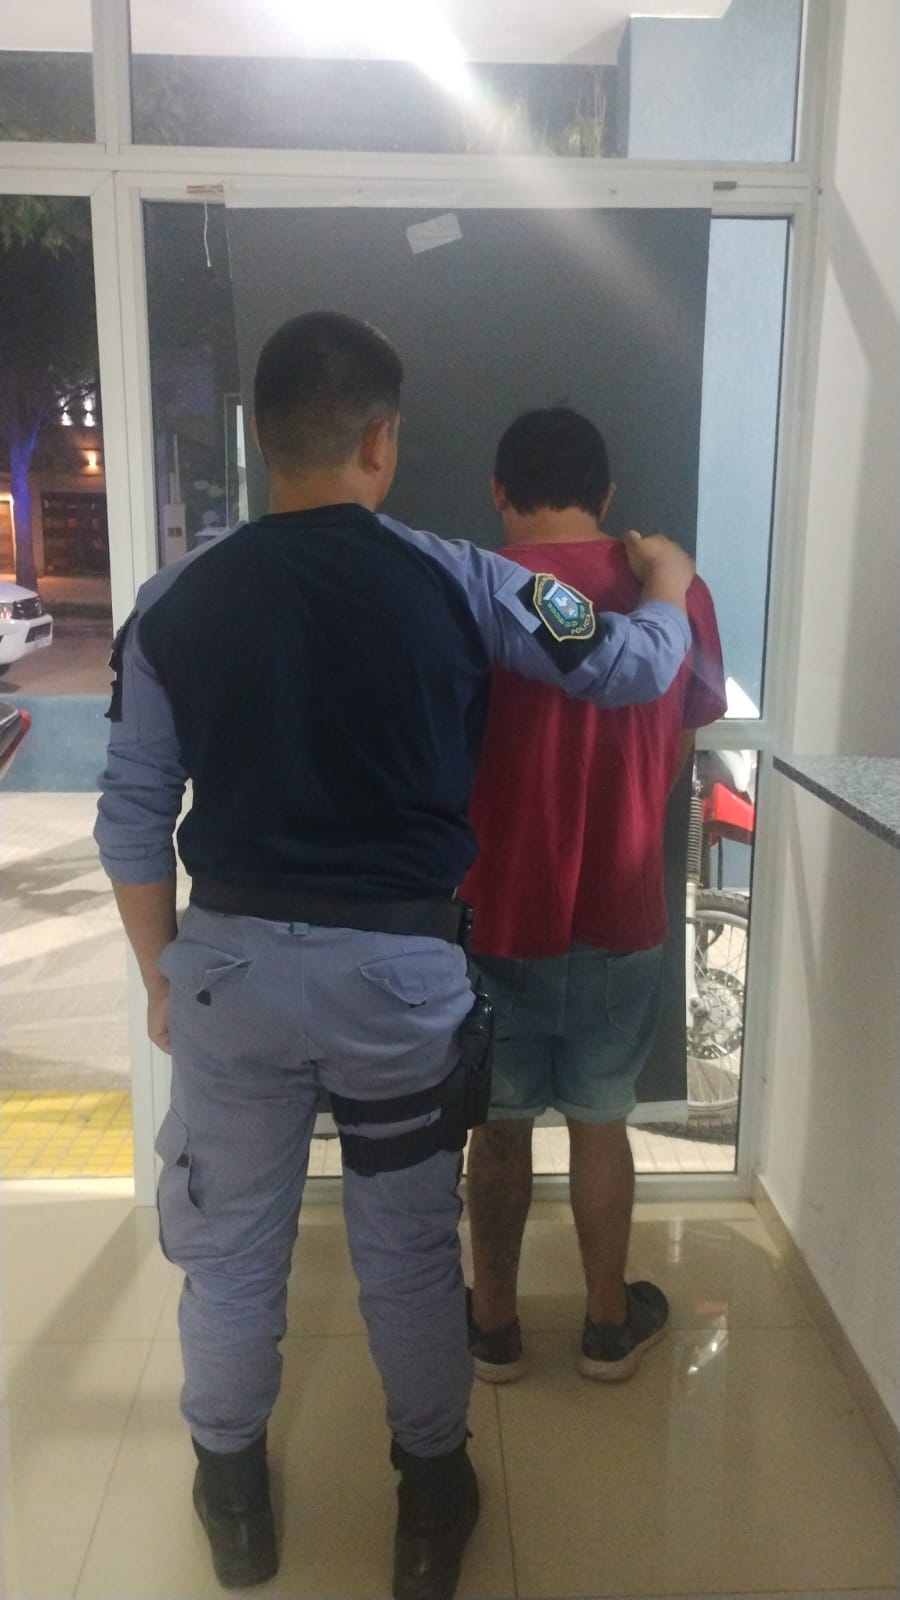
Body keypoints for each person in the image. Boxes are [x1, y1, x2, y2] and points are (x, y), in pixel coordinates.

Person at [94, 318, 695, 1600]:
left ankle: (233, 1497)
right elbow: (634, 664)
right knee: (408, 1252)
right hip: (400, 981)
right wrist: (668, 580)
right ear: (381, 440)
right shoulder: (469, 579)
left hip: (231, 974)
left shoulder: (171, 603)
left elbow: (132, 817)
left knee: (232, 1249)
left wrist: (160, 974)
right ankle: (428, 1503)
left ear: (262, 438)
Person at [463, 407, 727, 1386]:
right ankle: (608, 1326)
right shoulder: (675, 590)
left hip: (495, 907)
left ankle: (493, 1329)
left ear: (499, 490)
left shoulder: (474, 592)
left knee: (496, 1125)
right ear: (607, 495)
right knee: (602, 1122)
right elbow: (685, 734)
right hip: (622, 907)